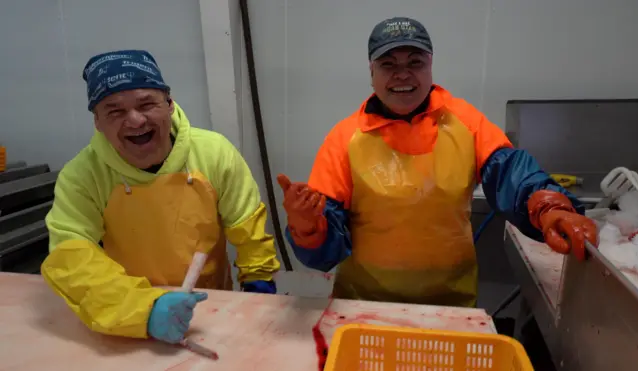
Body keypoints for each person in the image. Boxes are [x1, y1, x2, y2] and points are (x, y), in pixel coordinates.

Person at [277, 17, 598, 307]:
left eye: (414, 62)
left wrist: (548, 204)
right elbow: (326, 248)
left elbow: (511, 172)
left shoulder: (465, 123)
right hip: (364, 307)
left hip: (450, 308)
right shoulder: (344, 139)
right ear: (371, 72)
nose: (402, 74)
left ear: (430, 66)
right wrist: (309, 227)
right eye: (388, 64)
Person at [41, 50, 280, 344]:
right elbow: (72, 258)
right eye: (114, 111)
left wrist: (258, 287)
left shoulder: (214, 153)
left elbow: (249, 230)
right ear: (98, 122)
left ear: (169, 103)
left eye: (147, 104)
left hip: (208, 308)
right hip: (122, 312)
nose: (135, 120)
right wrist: (142, 310)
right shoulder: (81, 176)